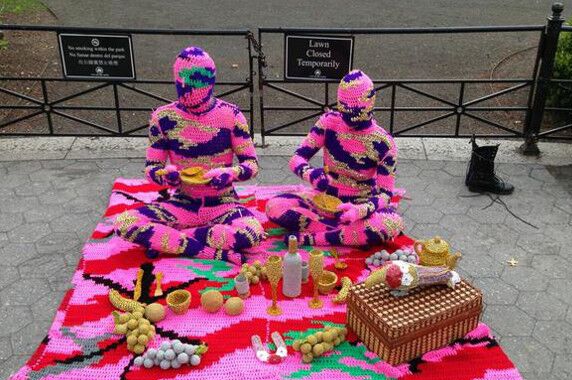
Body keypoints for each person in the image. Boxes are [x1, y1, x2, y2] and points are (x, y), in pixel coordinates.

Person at [114, 46, 263, 264]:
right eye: (182, 83)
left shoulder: (231, 115)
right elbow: (151, 167)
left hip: (223, 202)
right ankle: (211, 251)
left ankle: (174, 240)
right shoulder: (162, 117)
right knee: (124, 223)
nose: (189, 90)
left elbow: (251, 164)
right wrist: (165, 175)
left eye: (197, 82)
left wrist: (231, 173)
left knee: (251, 233)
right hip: (181, 203)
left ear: (210, 82)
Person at [265, 70, 404, 246]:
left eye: (355, 113)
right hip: (324, 201)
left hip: (360, 204)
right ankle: (342, 233)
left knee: (391, 224)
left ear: (369, 105)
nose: (348, 119)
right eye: (343, 110)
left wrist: (361, 211)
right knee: (274, 206)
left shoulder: (384, 143)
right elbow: (297, 158)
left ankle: (314, 237)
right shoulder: (328, 122)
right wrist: (310, 174)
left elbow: (385, 195)